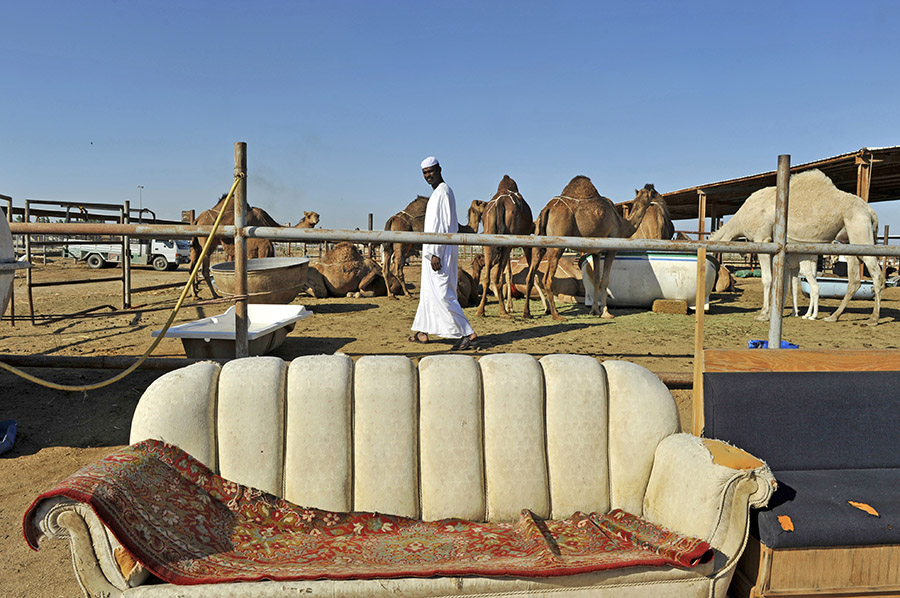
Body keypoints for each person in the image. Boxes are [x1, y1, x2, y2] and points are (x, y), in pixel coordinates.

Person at [409, 156, 478, 350]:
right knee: (429, 292)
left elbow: (444, 226)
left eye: (430, 171)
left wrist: (436, 253)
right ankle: (423, 330)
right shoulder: (437, 194)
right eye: (425, 173)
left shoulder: (444, 192)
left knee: (443, 293)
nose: (428, 175)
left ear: (439, 169)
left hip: (439, 251)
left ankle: (467, 332)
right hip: (432, 250)